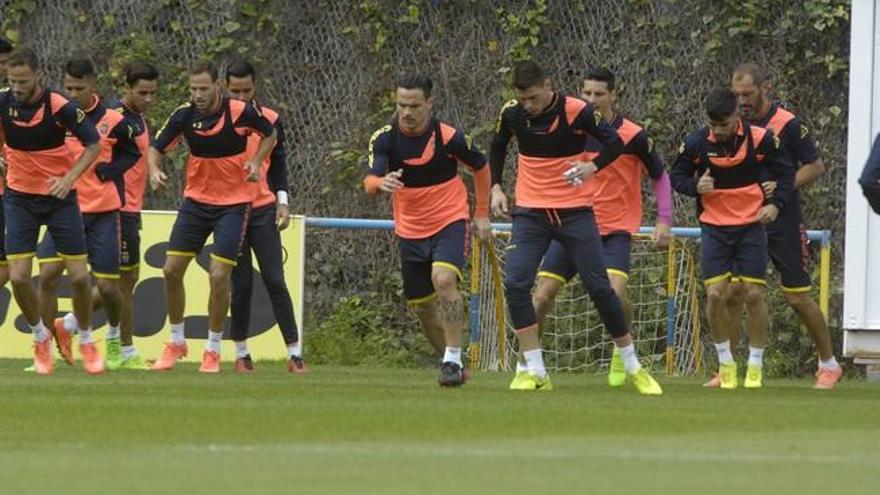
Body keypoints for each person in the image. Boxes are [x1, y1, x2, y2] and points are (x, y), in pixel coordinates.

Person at [490, 60, 662, 394]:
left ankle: (633, 366)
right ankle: (534, 370)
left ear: (549, 85)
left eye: (534, 98)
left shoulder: (578, 111)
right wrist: (496, 186)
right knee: (516, 283)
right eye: (523, 99)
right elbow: (497, 147)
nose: (529, 106)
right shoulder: (512, 113)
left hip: (575, 214)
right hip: (531, 213)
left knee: (601, 289)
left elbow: (614, 143)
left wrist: (591, 168)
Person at [364, 73, 491, 387]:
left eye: (414, 105)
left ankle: (451, 358)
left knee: (444, 279)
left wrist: (482, 213)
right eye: (401, 105)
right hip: (409, 230)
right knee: (422, 306)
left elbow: (481, 166)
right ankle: (452, 362)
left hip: (450, 219)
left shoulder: (449, 137)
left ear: (429, 104)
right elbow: (369, 181)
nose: (407, 112)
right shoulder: (385, 138)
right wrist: (381, 183)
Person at [149, 60, 276, 373]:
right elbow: (156, 147)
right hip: (196, 202)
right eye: (193, 89)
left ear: (217, 85)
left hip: (234, 204)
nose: (198, 94)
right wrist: (153, 169)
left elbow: (270, 134)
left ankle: (213, 349)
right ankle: (176, 341)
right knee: (170, 270)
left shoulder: (239, 112)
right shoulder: (184, 114)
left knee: (219, 275)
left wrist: (257, 161)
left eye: (203, 88)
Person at [726, 64, 842, 389]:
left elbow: (815, 166)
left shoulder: (787, 124)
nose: (742, 101)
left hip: (783, 220)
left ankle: (829, 365)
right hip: (743, 219)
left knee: (797, 297)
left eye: (747, 94)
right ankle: (728, 370)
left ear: (767, 88)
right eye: (736, 95)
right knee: (734, 292)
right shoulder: (732, 125)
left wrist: (781, 190)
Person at [670, 87, 792, 389]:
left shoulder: (762, 140)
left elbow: (786, 175)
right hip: (714, 228)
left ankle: (755, 364)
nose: (717, 131)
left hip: (751, 226)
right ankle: (725, 364)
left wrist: (775, 206)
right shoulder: (696, 143)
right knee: (714, 295)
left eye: (723, 125)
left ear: (737, 116)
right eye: (712, 125)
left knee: (753, 294)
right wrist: (696, 186)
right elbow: (676, 176)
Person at [0, 47, 101, 374]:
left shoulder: (60, 105)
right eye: (12, 80)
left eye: (23, 81)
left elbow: (94, 144)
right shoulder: (3, 102)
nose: (16, 87)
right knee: (17, 276)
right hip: (18, 199)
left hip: (60, 201)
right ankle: (41, 338)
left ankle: (85, 340)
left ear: (38, 76)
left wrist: (70, 178)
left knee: (80, 277)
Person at [39, 58, 140, 373]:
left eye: (79, 88)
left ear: (93, 86)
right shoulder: (57, 117)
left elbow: (132, 152)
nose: (72, 93)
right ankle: (43, 351)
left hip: (103, 213)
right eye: (68, 87)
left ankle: (111, 338)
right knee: (46, 276)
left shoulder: (112, 119)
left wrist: (110, 171)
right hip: (64, 209)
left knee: (109, 287)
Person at [224, 60, 305, 374]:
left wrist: (282, 202)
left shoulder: (269, 119)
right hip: (230, 210)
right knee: (240, 284)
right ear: (225, 88)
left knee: (274, 278)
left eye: (247, 90)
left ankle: (294, 353)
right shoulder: (218, 120)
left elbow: (279, 164)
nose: (242, 97)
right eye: (235, 91)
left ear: (255, 86)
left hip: (261, 209)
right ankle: (242, 354)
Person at [104, 62, 160, 369]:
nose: (149, 99)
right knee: (119, 281)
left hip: (131, 208)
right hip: (117, 208)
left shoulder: (138, 117)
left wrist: (151, 173)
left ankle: (71, 324)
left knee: (124, 280)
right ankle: (122, 349)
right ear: (128, 88)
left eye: (153, 93)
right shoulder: (114, 117)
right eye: (142, 93)